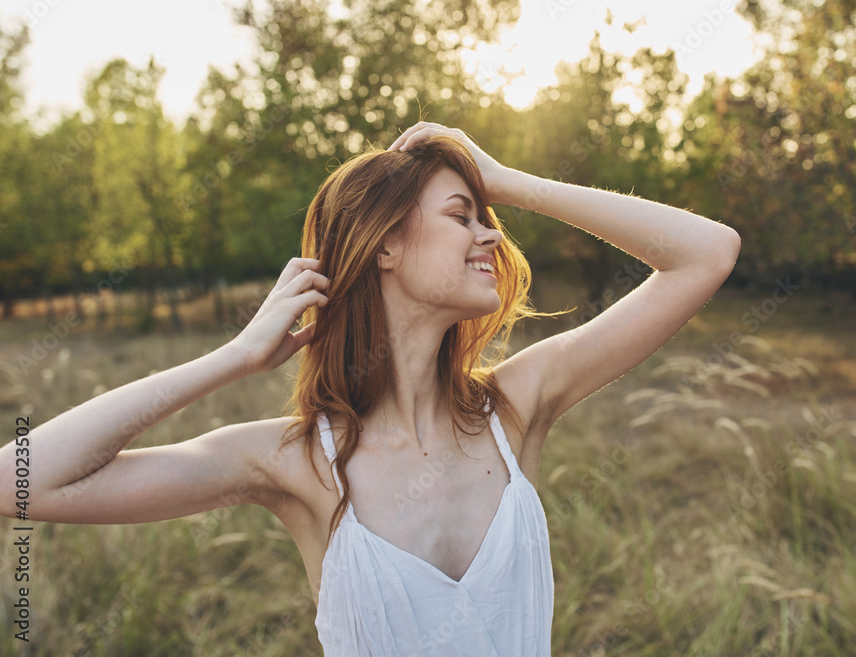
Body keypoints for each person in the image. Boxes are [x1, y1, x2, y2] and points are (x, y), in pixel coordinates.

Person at [0, 121, 740, 654]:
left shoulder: (515, 409)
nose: (490, 235)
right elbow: (18, 480)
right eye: (462, 216)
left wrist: (502, 179)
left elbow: (706, 253)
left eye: (488, 218)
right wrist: (232, 358)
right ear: (386, 243)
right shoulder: (297, 462)